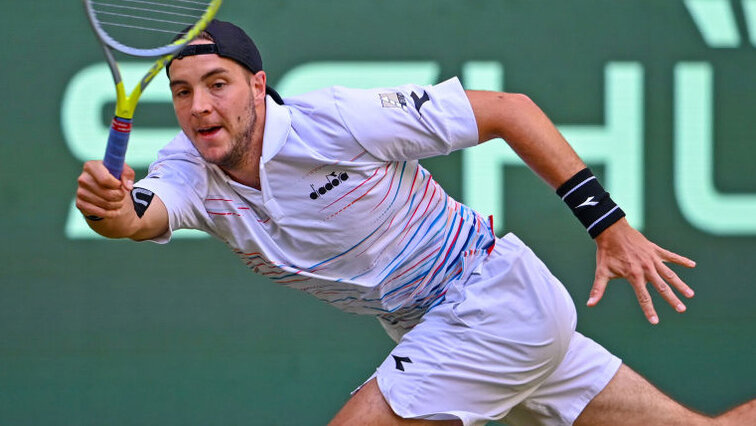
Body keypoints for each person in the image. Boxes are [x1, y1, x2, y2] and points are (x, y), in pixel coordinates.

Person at [75, 20, 755, 425]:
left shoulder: (338, 121)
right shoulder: (188, 165)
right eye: (183, 91)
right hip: (440, 328)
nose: (198, 106)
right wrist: (111, 211)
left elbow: (510, 110)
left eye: (216, 82)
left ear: (257, 85)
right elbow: (139, 217)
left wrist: (607, 223)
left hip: (491, 301)